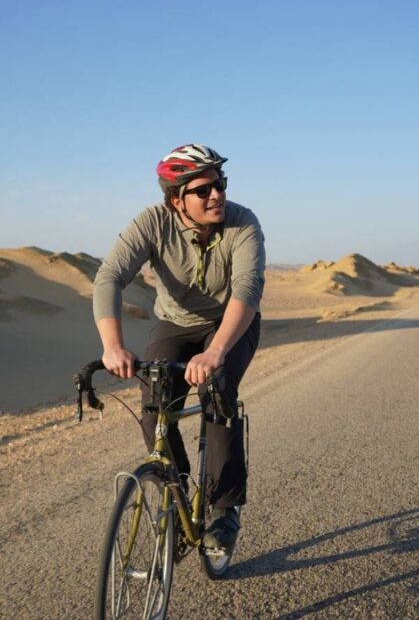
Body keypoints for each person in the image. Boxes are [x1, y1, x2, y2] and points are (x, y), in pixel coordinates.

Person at [93, 143, 265, 551]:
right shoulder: (152, 222)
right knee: (155, 405)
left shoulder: (243, 222)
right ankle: (178, 490)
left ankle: (224, 508)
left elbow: (247, 289)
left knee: (217, 391)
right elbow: (110, 277)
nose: (217, 195)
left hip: (230, 323)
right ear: (176, 200)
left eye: (220, 184)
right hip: (176, 324)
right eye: (203, 190)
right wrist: (112, 346)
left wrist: (215, 352)